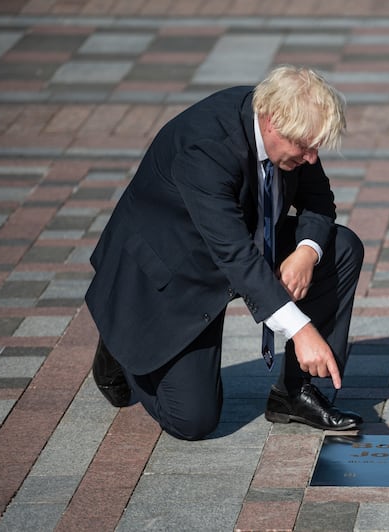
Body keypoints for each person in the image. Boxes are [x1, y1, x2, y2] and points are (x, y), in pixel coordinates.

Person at [86, 65, 364, 440]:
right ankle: (120, 341)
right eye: (305, 146)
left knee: (341, 247)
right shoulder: (207, 149)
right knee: (193, 421)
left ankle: (294, 394)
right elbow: (234, 255)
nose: (313, 158)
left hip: (238, 242)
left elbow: (318, 200)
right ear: (272, 123)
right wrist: (301, 330)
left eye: (316, 147)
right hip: (171, 271)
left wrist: (306, 253)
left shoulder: (291, 127)